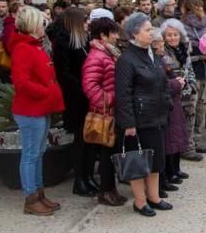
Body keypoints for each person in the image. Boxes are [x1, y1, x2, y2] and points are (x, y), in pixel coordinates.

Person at [115, 15, 173, 216]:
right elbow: (123, 94)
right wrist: (128, 123)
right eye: (147, 30)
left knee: (156, 160)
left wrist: (167, 102)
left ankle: (154, 197)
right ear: (134, 33)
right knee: (139, 161)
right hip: (139, 120)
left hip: (156, 115)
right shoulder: (127, 60)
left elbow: (163, 82)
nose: (151, 33)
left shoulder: (153, 55)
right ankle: (140, 201)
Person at [10, 6, 65, 216]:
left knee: (38, 152)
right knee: (31, 154)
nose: (46, 26)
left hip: (41, 107)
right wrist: (45, 92)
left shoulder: (36, 46)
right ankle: (31, 197)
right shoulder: (23, 49)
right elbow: (21, 82)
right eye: (43, 23)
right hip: (30, 109)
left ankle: (39, 194)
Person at [81, 17, 127, 206]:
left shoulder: (108, 53)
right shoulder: (97, 56)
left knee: (113, 151)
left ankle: (111, 189)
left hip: (113, 110)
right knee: (107, 152)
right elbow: (90, 85)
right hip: (106, 112)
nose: (117, 36)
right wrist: (108, 100)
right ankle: (106, 191)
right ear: (103, 35)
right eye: (113, 32)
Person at [52, 6, 95, 197]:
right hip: (76, 98)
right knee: (80, 140)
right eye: (84, 21)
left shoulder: (84, 41)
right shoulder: (63, 42)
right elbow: (63, 73)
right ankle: (80, 179)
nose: (87, 24)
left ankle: (88, 175)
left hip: (87, 96)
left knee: (90, 139)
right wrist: (83, 89)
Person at [156, 24, 190, 193]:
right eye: (164, 39)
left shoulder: (180, 51)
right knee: (169, 140)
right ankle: (169, 173)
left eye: (174, 34)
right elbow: (163, 83)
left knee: (177, 135)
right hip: (169, 100)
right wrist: (177, 82)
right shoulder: (160, 60)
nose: (168, 41)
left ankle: (175, 169)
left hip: (178, 96)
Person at [181, 0, 206, 159]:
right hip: (196, 70)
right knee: (195, 107)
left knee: (198, 107)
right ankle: (190, 143)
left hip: (201, 69)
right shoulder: (182, 27)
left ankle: (193, 141)